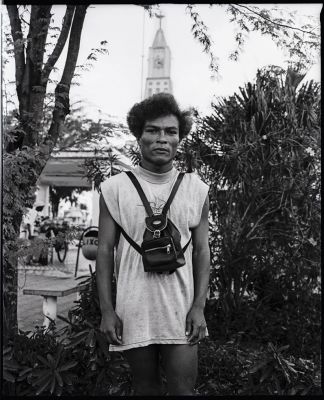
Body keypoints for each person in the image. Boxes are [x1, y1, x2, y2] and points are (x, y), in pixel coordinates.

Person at [97, 93, 210, 396]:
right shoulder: (114, 189)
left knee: (183, 391)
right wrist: (107, 310)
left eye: (170, 131)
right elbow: (105, 250)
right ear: (139, 135)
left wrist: (199, 306)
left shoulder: (196, 189)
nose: (162, 139)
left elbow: (201, 251)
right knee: (144, 388)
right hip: (133, 307)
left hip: (181, 307)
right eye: (153, 130)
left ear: (179, 138)